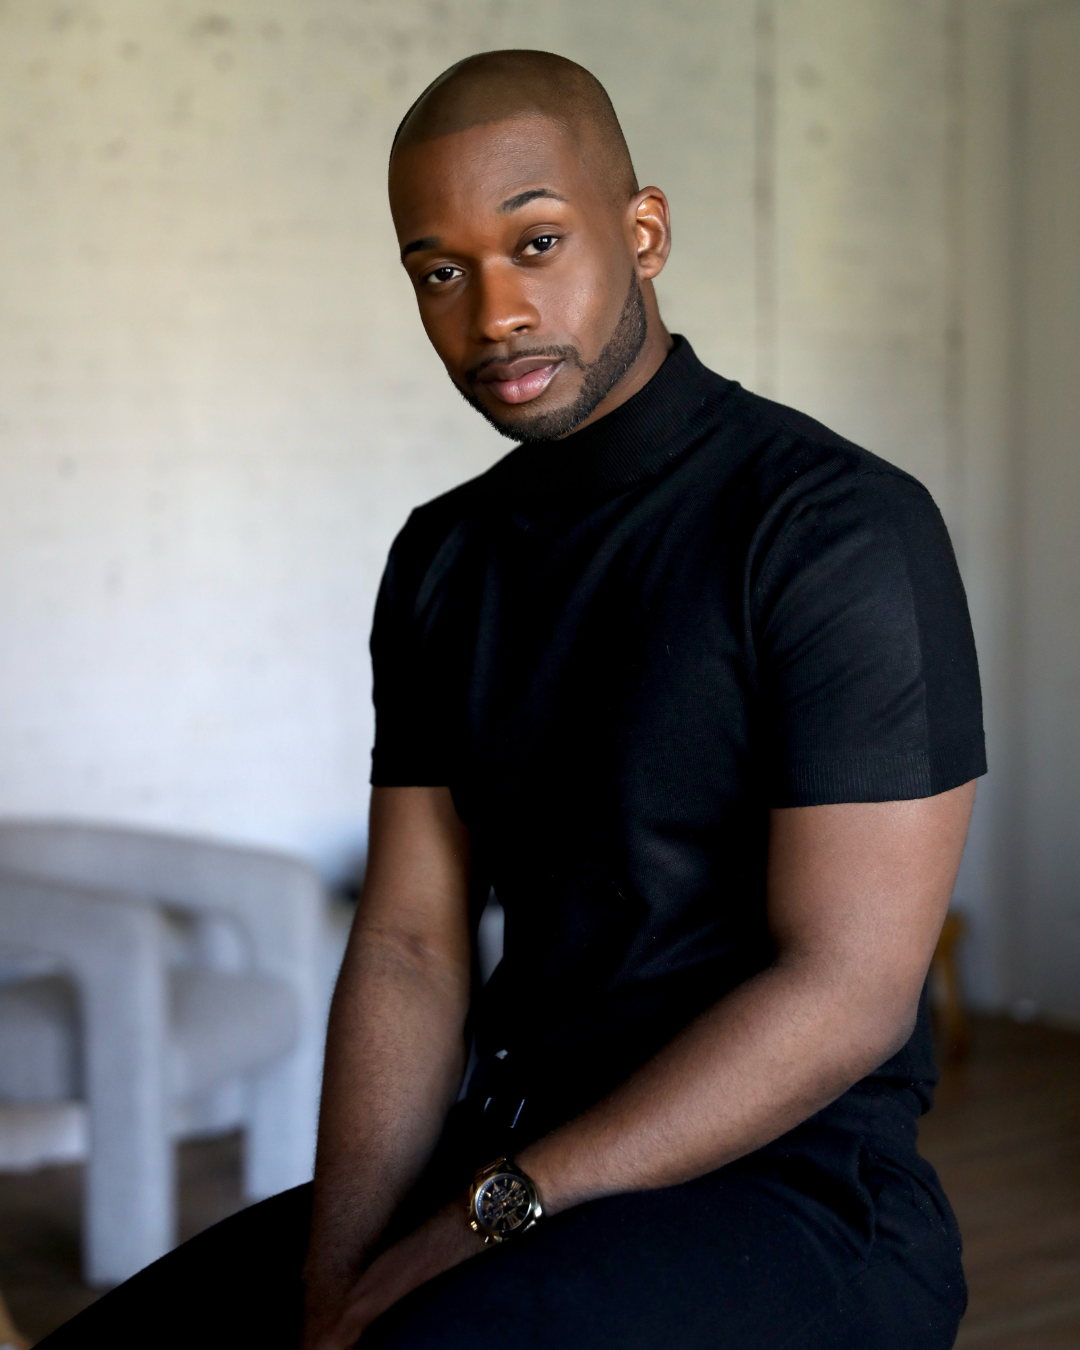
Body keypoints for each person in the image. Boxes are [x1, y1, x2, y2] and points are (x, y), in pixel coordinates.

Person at [41, 49, 984, 1350]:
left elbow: (848, 992)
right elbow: (410, 948)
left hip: (796, 1193)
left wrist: (478, 1218)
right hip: (512, 1150)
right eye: (440, 271)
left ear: (643, 233)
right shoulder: (444, 557)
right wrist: (336, 1278)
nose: (492, 314)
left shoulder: (836, 530)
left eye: (537, 243)